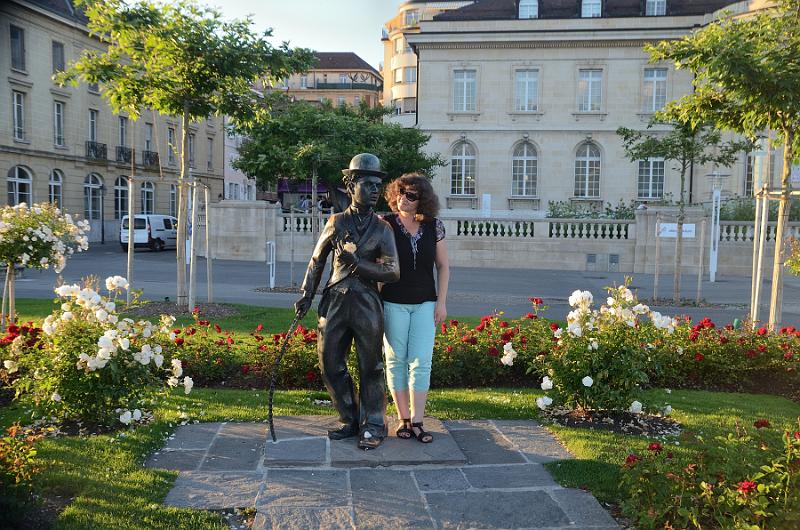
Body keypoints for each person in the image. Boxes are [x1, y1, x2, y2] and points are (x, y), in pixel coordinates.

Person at [294, 153, 400, 450]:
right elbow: (317, 260)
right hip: (336, 302)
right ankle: (349, 418)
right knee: (330, 363)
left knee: (371, 366)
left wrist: (358, 264)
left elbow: (393, 271)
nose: (375, 190)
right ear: (350, 185)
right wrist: (306, 294)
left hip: (367, 303)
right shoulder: (336, 222)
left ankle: (374, 423)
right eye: (368, 184)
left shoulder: (383, 228)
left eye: (378, 184)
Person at [380, 173, 449, 444]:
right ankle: (403, 419)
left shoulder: (434, 227)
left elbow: (443, 266)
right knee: (396, 361)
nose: (403, 199)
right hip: (393, 302)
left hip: (425, 304)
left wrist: (441, 302)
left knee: (421, 363)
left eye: (410, 195)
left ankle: (418, 420)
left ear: (423, 200)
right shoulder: (384, 224)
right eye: (400, 192)